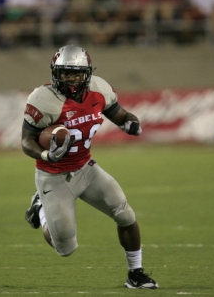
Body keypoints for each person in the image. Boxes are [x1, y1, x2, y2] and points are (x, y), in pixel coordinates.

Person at [21, 45, 158, 289]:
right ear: (55, 73)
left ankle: (135, 275)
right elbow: (26, 141)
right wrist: (45, 154)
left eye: (76, 73)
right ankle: (40, 209)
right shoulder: (43, 99)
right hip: (53, 176)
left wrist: (131, 124)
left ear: (87, 73)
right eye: (65, 73)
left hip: (86, 168)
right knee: (65, 247)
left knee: (125, 213)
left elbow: (121, 115)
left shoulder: (99, 89)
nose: (71, 79)